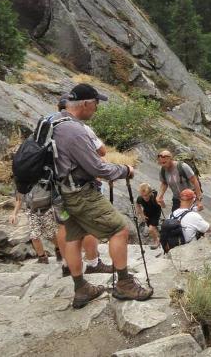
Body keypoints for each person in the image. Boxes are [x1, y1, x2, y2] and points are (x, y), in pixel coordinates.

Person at [53, 83, 153, 308]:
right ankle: (124, 284)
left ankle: (81, 289)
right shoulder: (75, 130)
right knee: (119, 229)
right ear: (86, 103)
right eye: (96, 103)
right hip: (81, 193)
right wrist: (125, 170)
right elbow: (98, 168)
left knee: (73, 237)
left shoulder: (52, 121)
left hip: (61, 193)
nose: (97, 108)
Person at [52, 94, 114, 278]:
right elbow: (102, 151)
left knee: (64, 226)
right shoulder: (80, 128)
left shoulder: (49, 125)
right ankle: (93, 262)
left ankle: (67, 264)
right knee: (89, 224)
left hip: (56, 188)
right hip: (80, 186)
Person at [9, 192, 60, 264]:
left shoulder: (42, 180)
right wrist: (14, 214)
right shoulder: (20, 182)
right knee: (34, 236)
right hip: (31, 212)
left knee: (50, 235)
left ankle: (59, 250)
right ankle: (42, 258)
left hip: (46, 210)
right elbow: (19, 200)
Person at [136, 184, 161, 250]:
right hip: (147, 214)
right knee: (151, 228)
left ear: (150, 193)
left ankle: (157, 241)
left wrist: (161, 202)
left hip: (156, 213)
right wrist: (142, 215)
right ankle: (157, 237)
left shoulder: (155, 197)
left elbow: (163, 206)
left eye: (146, 195)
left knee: (151, 229)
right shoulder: (140, 198)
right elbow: (137, 204)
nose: (145, 197)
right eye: (143, 195)